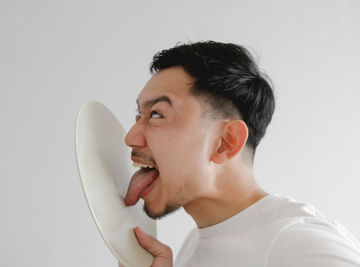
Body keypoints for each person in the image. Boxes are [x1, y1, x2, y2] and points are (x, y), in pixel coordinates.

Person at [120, 41, 360, 266]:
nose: (131, 137)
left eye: (156, 114)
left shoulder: (299, 244)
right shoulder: (194, 244)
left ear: (226, 142)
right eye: (139, 116)